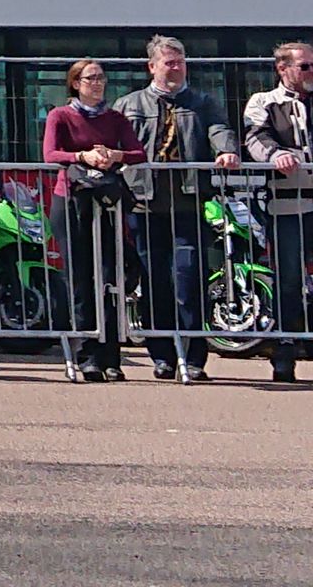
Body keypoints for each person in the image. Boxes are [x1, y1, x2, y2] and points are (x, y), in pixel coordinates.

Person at [116, 35, 240, 382]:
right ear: (152, 66)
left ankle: (194, 356)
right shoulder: (129, 104)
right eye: (169, 62)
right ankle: (162, 356)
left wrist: (225, 150)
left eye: (180, 61)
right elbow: (116, 143)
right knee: (154, 284)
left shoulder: (202, 101)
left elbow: (221, 129)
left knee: (189, 282)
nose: (176, 68)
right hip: (144, 207)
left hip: (188, 205)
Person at [42, 60, 145, 382]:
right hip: (71, 200)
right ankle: (86, 355)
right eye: (90, 78)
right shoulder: (60, 115)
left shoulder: (114, 118)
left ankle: (111, 356)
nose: (97, 83)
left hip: (107, 202)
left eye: (101, 78)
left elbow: (138, 153)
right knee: (80, 278)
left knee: (109, 278)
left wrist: (115, 156)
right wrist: (81, 156)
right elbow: (50, 154)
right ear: (75, 83)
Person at [244, 41, 313, 383]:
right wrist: (275, 155)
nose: (311, 72)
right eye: (305, 67)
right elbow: (255, 137)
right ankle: (284, 354)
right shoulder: (263, 102)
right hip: (287, 204)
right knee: (288, 280)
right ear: (283, 69)